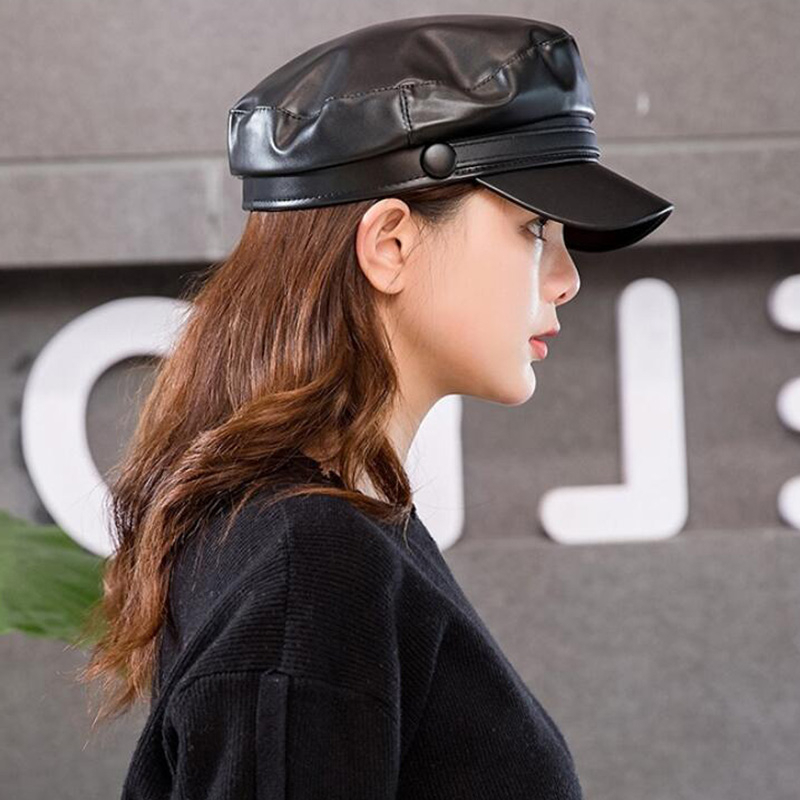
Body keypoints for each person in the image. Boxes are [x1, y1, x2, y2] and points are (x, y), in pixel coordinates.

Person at [77, 14, 673, 799]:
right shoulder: (311, 566)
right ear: (390, 244)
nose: (566, 280)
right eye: (535, 229)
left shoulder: (335, 530)